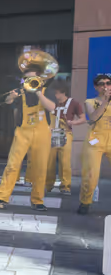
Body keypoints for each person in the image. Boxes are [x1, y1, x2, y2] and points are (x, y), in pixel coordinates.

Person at [0, 61, 57, 211]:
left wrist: (38, 91)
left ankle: (37, 200)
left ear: (40, 79)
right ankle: (1, 197)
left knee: (40, 168)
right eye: (26, 79)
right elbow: (7, 102)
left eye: (32, 78)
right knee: (12, 165)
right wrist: (12, 96)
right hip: (22, 132)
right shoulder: (21, 92)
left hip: (42, 133)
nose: (29, 81)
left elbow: (52, 107)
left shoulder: (47, 91)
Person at [78, 74, 111, 215]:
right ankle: (85, 201)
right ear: (96, 87)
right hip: (95, 140)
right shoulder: (90, 102)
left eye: (108, 83)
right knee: (91, 175)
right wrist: (105, 101)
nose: (105, 86)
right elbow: (93, 117)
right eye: (101, 84)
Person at [45, 81, 86, 195]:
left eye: (57, 93)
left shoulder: (74, 103)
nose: (55, 95)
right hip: (52, 133)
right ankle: (48, 185)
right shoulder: (53, 103)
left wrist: (72, 122)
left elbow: (83, 119)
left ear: (63, 92)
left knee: (65, 161)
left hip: (65, 133)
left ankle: (65, 186)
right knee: (49, 161)